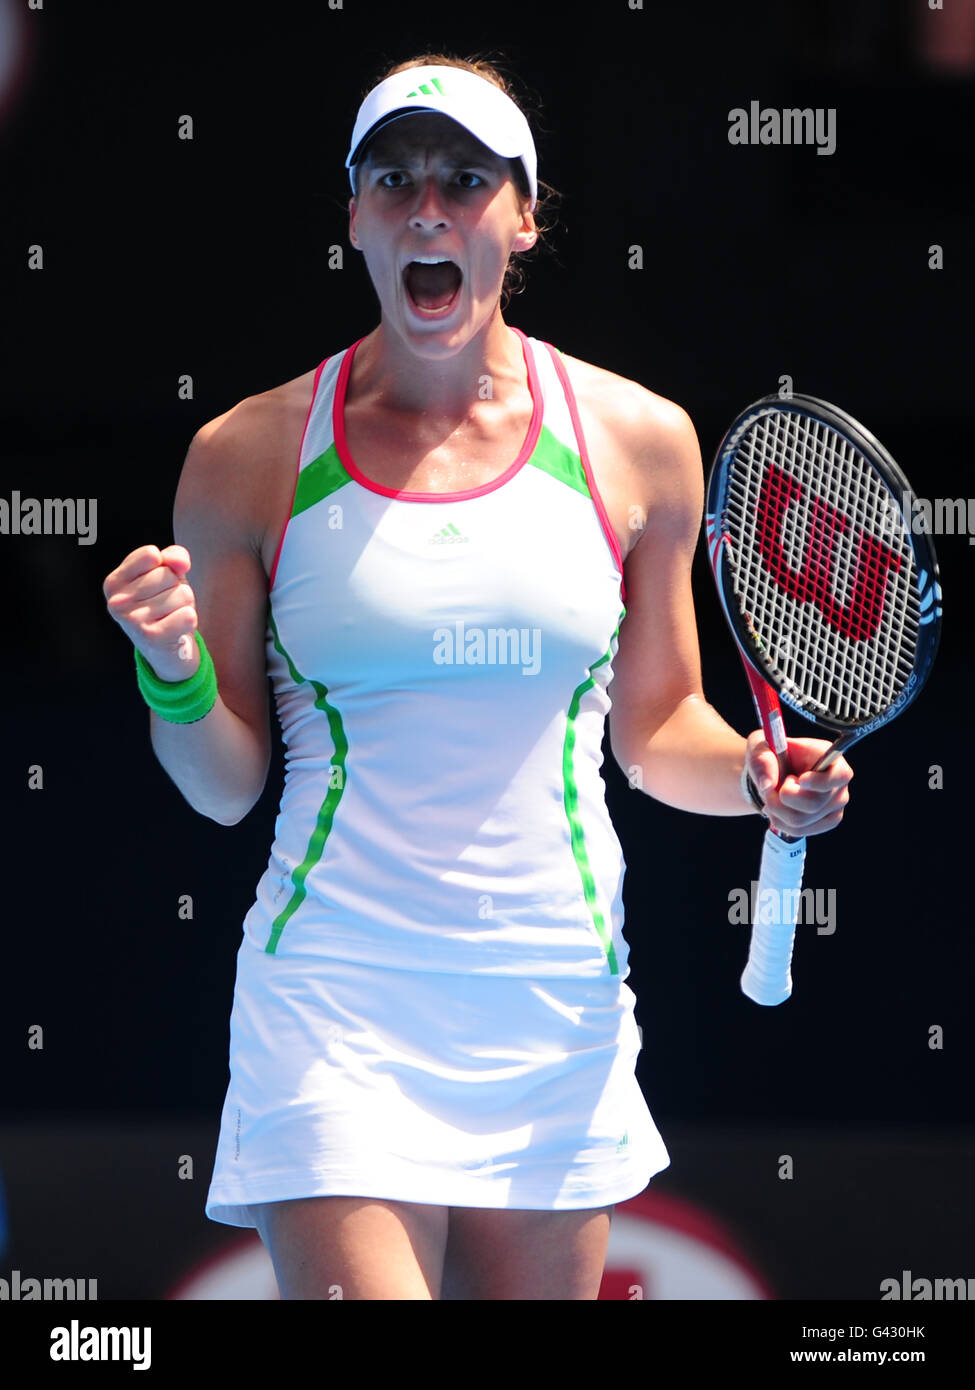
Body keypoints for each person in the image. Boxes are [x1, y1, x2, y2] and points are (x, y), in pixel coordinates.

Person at [102, 54, 853, 1300]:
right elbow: (222, 785)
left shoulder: (640, 442)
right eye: (392, 182)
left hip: (551, 1005)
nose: (428, 210)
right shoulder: (247, 454)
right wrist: (175, 674)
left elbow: (661, 727)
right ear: (354, 218)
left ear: (524, 215)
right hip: (333, 1005)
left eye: (464, 180)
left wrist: (760, 779)